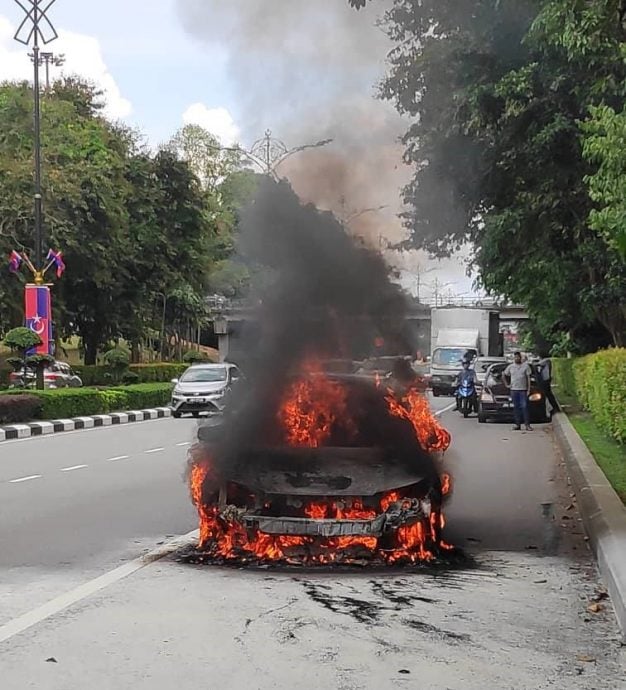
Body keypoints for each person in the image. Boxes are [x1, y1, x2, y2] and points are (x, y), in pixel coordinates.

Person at [504, 351, 533, 431]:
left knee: (524, 407)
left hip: (523, 390)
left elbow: (528, 379)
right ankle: (517, 424)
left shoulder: (526, 367)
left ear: (520, 358)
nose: (517, 358)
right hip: (514, 390)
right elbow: (504, 374)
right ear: (514, 358)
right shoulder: (510, 367)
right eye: (515, 357)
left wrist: (528, 389)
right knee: (516, 408)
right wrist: (507, 384)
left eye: (518, 357)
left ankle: (527, 425)